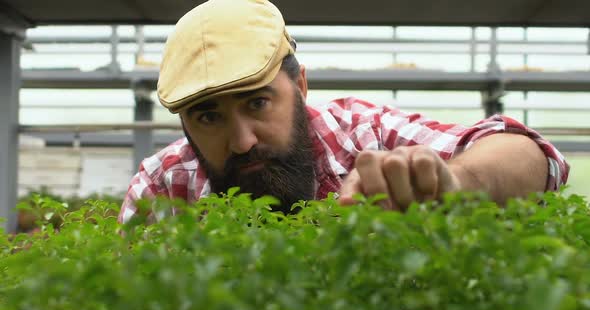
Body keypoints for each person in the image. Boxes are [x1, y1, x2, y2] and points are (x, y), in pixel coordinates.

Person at [118, 0, 569, 223]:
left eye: (257, 102)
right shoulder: (162, 186)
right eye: (208, 116)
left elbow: (535, 158)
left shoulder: (362, 133)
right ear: (184, 123)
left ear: (300, 86)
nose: (242, 141)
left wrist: (455, 181)